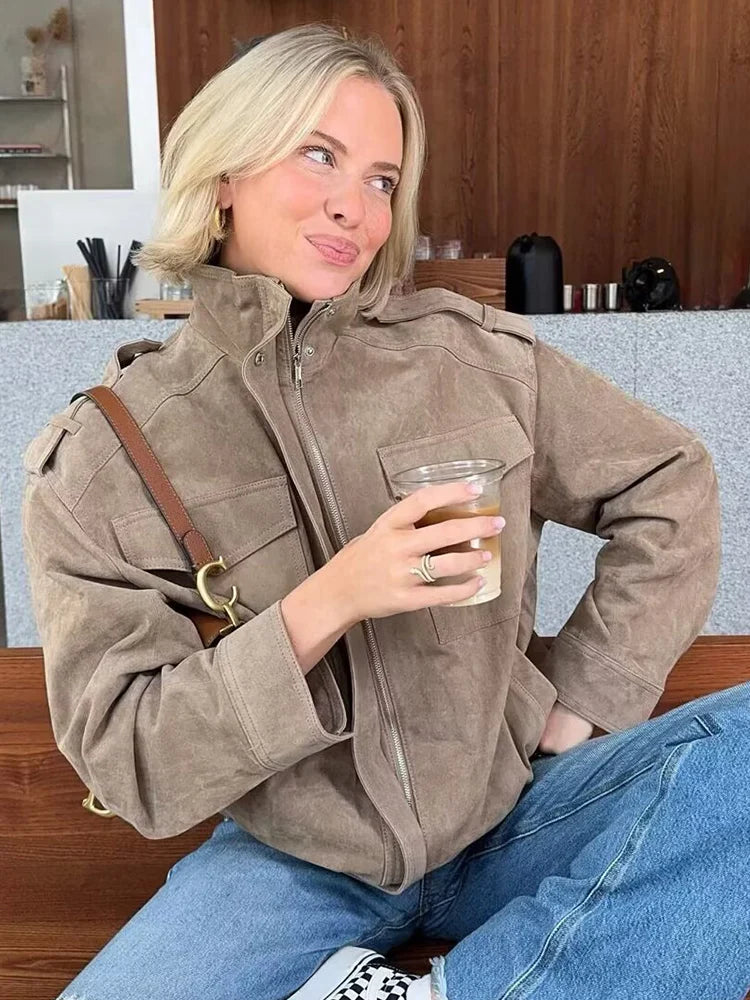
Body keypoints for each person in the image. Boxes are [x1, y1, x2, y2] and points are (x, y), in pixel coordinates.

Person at [20, 22, 748, 1000]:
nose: (353, 206)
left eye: (381, 179)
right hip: (294, 864)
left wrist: (584, 698)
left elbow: (671, 478)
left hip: (515, 810)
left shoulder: (473, 357)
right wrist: (331, 599)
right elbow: (131, 757)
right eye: (319, 155)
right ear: (225, 173)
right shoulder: (105, 454)